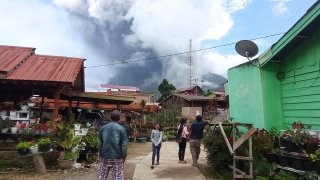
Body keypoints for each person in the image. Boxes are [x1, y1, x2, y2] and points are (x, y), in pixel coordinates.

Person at [98, 110, 128, 180]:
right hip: (117, 158)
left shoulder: (103, 128)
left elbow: (99, 143)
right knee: (117, 177)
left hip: (104, 157)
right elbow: (124, 145)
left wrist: (100, 153)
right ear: (119, 118)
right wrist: (124, 155)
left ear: (110, 118)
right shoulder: (121, 129)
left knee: (101, 177)